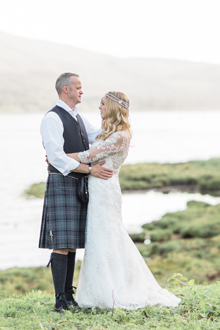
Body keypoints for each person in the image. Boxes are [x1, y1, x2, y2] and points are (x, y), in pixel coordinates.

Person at [67, 91, 181, 310]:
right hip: (99, 188)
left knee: (107, 236)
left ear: (113, 108)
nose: (99, 108)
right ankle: (100, 289)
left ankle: (113, 290)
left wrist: (58, 157)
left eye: (102, 104)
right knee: (100, 237)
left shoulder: (120, 136)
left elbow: (87, 156)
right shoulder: (109, 133)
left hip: (105, 191)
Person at [39, 73, 113, 312]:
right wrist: (89, 169)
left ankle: (68, 297)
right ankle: (60, 300)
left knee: (70, 243)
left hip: (77, 184)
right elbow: (57, 157)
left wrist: (118, 122)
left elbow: (98, 137)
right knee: (61, 243)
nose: (82, 92)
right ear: (65, 90)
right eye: (78, 88)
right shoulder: (52, 118)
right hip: (61, 181)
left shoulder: (78, 118)